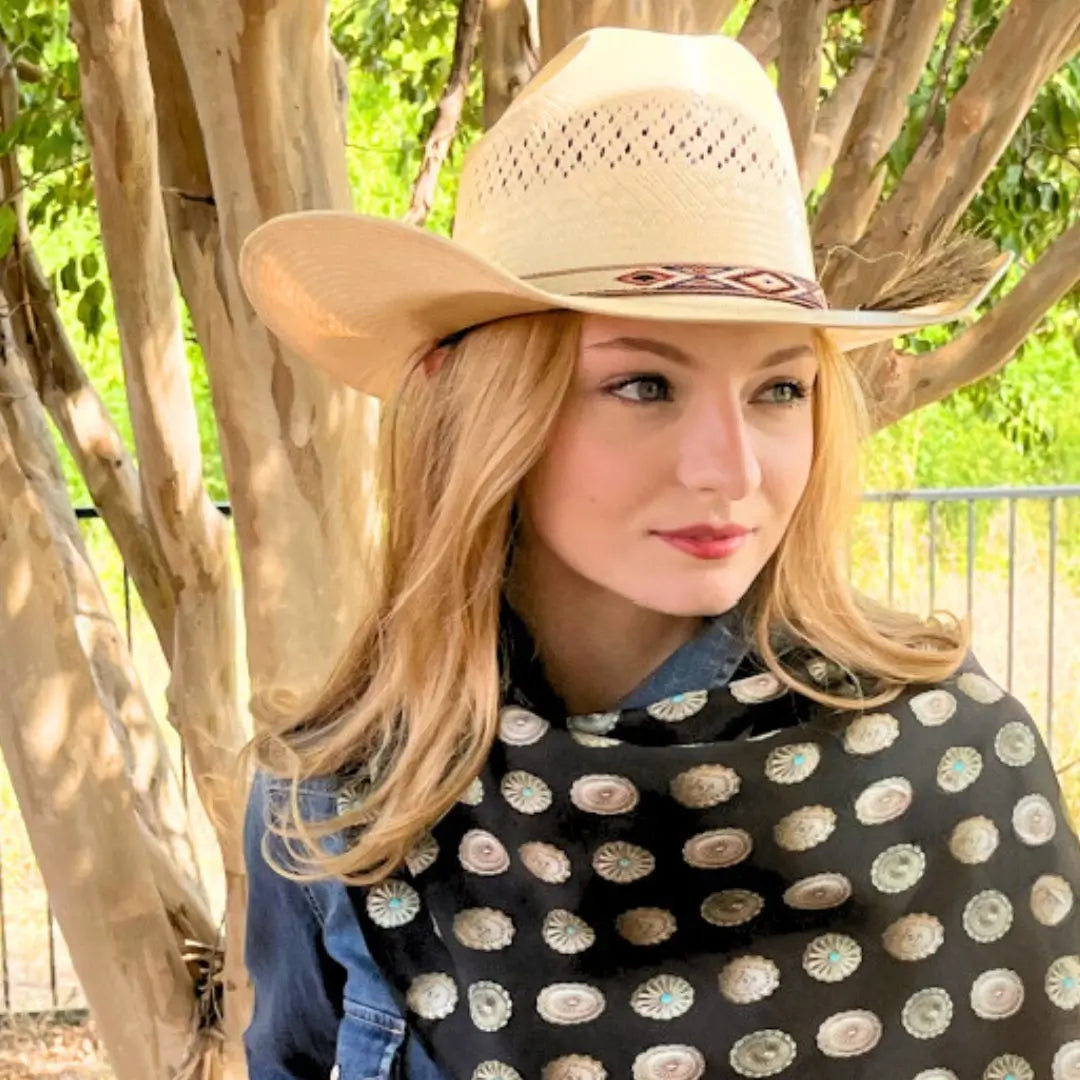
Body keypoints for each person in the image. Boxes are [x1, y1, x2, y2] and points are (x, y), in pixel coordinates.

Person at [235, 27, 1080, 1080]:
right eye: (644, 385)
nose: (730, 469)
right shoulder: (348, 796)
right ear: (487, 412)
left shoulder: (954, 759)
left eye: (780, 388)